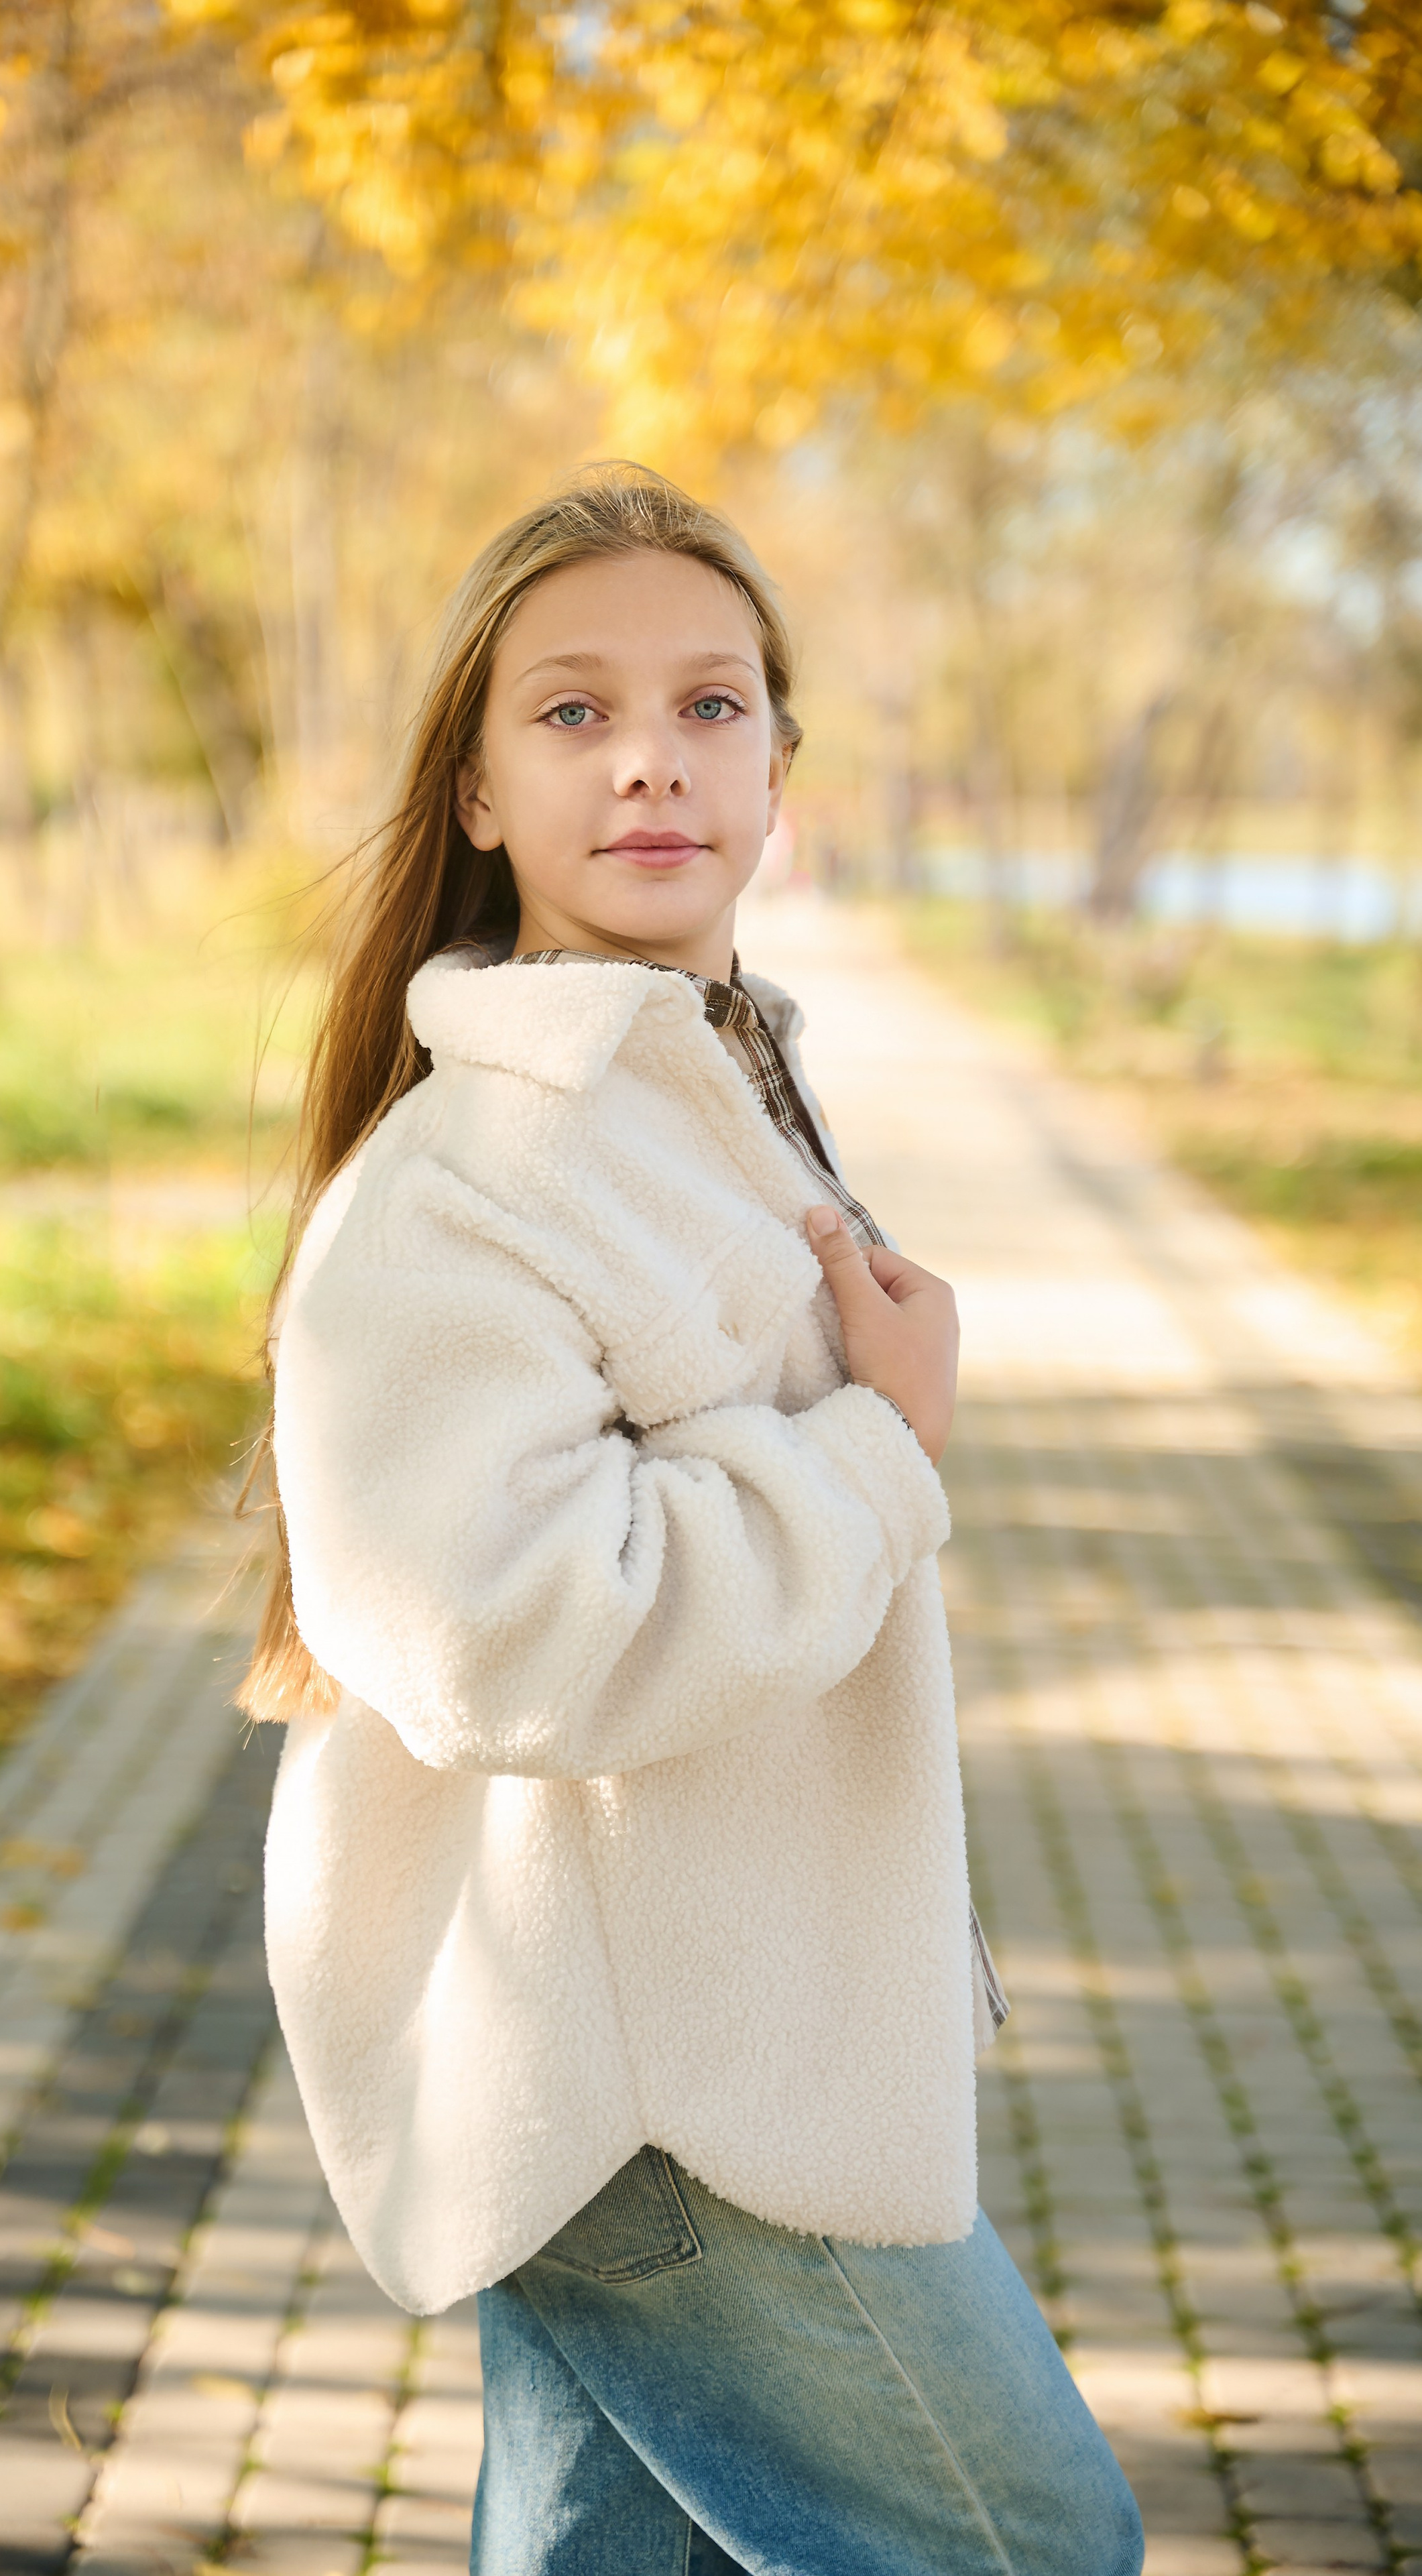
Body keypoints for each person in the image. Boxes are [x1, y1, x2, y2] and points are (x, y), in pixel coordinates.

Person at [248, 463, 1144, 2575]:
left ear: (779, 764)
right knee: (1030, 2545)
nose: (650, 751)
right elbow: (501, 1634)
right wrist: (879, 1454)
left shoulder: (712, 1089)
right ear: (472, 791)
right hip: (656, 2087)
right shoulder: (464, 1178)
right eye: (570, 712)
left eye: (712, 703)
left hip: (676, 2034)